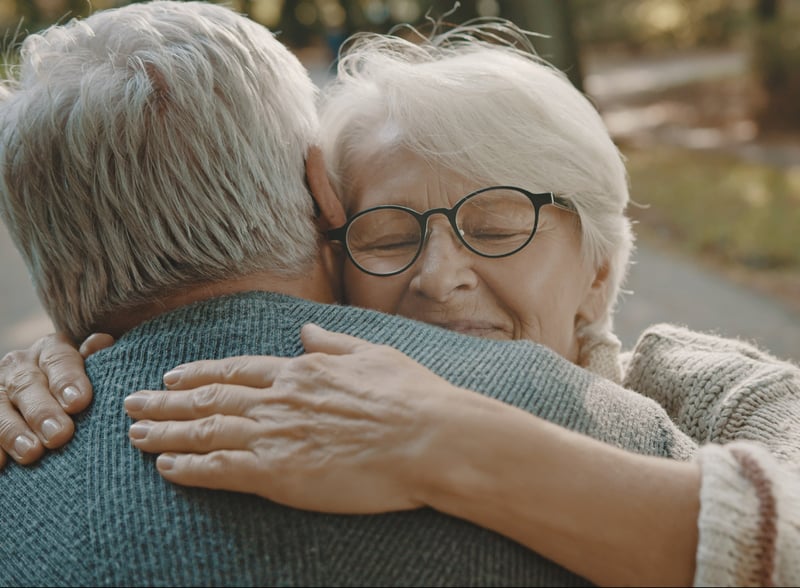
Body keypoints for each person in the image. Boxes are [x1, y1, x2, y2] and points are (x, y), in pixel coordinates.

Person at [1, 5, 799, 586]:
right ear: (326, 218)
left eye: (497, 228)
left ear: (599, 271)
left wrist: (448, 443)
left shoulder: (702, 395)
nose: (438, 276)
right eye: (385, 236)